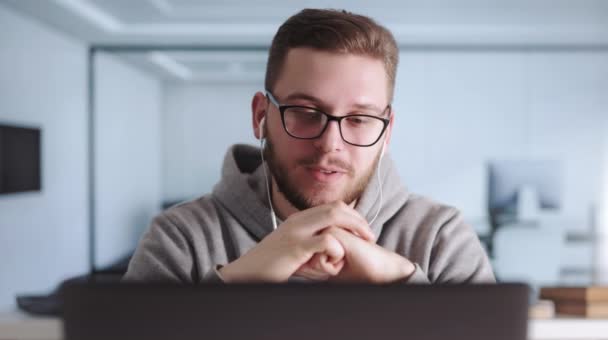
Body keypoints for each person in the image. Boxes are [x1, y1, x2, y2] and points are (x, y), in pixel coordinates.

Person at [124, 8, 495, 284]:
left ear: (386, 131)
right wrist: (239, 281)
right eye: (305, 111)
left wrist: (400, 279)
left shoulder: (441, 239)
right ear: (260, 116)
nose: (329, 143)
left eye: (359, 119)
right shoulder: (180, 238)